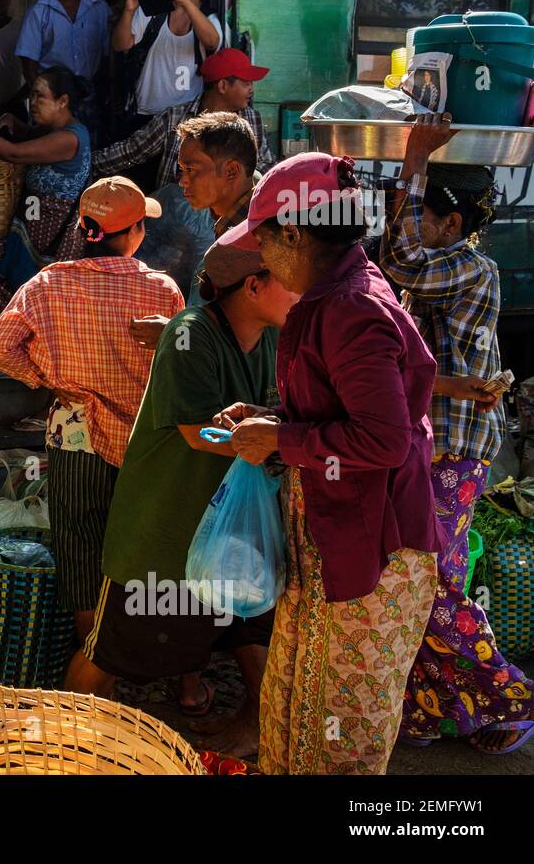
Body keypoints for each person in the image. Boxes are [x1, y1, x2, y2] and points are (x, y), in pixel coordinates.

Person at [217, 151, 443, 775]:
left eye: (265, 243)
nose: (261, 259)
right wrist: (274, 421)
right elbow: (341, 409)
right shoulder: (335, 296)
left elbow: (383, 439)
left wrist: (282, 441)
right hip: (334, 539)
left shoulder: (351, 308)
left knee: (341, 735)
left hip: (374, 553)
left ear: (292, 233)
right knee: (299, 710)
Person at [69, 237, 297, 757]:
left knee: (249, 625)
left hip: (232, 525)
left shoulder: (269, 337)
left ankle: (254, 725)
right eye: (288, 277)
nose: (300, 290)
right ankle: (59, 741)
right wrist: (280, 437)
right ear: (253, 285)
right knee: (111, 650)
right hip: (164, 528)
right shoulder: (190, 334)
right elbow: (199, 434)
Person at [378, 116, 533, 755]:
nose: (415, 225)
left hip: (456, 448)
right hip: (432, 441)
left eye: (424, 216)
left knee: (435, 582)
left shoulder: (469, 268)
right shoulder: (450, 269)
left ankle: (510, 697)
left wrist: (412, 161)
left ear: (451, 223)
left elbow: (398, 257)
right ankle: (440, 708)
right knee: (422, 580)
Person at [0, 177, 183, 640]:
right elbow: (180, 364)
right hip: (145, 439)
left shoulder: (47, 284)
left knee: (79, 547)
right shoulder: (162, 290)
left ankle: (89, 658)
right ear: (133, 232)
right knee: (145, 546)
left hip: (75, 434)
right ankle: (150, 654)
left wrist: (47, 379)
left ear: (82, 228)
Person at [0, 67, 91, 337]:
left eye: (40, 97)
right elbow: (28, 138)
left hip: (49, 245)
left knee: (0, 278)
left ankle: (14, 340)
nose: (32, 103)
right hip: (31, 236)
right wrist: (16, 123)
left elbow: (13, 153)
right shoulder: (51, 132)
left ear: (63, 101)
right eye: (31, 96)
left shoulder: (70, 138)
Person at [128, 110, 261, 348]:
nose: (183, 181)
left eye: (192, 170)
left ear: (231, 171)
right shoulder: (236, 218)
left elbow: (245, 339)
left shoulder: (253, 239)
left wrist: (174, 333)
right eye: (182, 170)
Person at [91, 47, 271, 194]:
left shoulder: (251, 120)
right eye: (247, 83)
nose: (252, 89)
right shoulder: (175, 118)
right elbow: (132, 150)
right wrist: (86, 166)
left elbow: (264, 166)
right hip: (178, 221)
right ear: (223, 86)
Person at [112, 0, 223, 126]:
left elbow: (212, 42)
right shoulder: (153, 10)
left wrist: (184, 1)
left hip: (187, 119)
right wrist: (129, 11)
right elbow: (120, 45)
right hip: (143, 114)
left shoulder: (210, 17)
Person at [15, 0, 109, 142]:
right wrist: (44, 101)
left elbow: (108, 59)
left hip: (89, 96)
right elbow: (29, 65)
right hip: (52, 98)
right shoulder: (38, 12)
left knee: (91, 155)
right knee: (47, 156)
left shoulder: (100, 10)